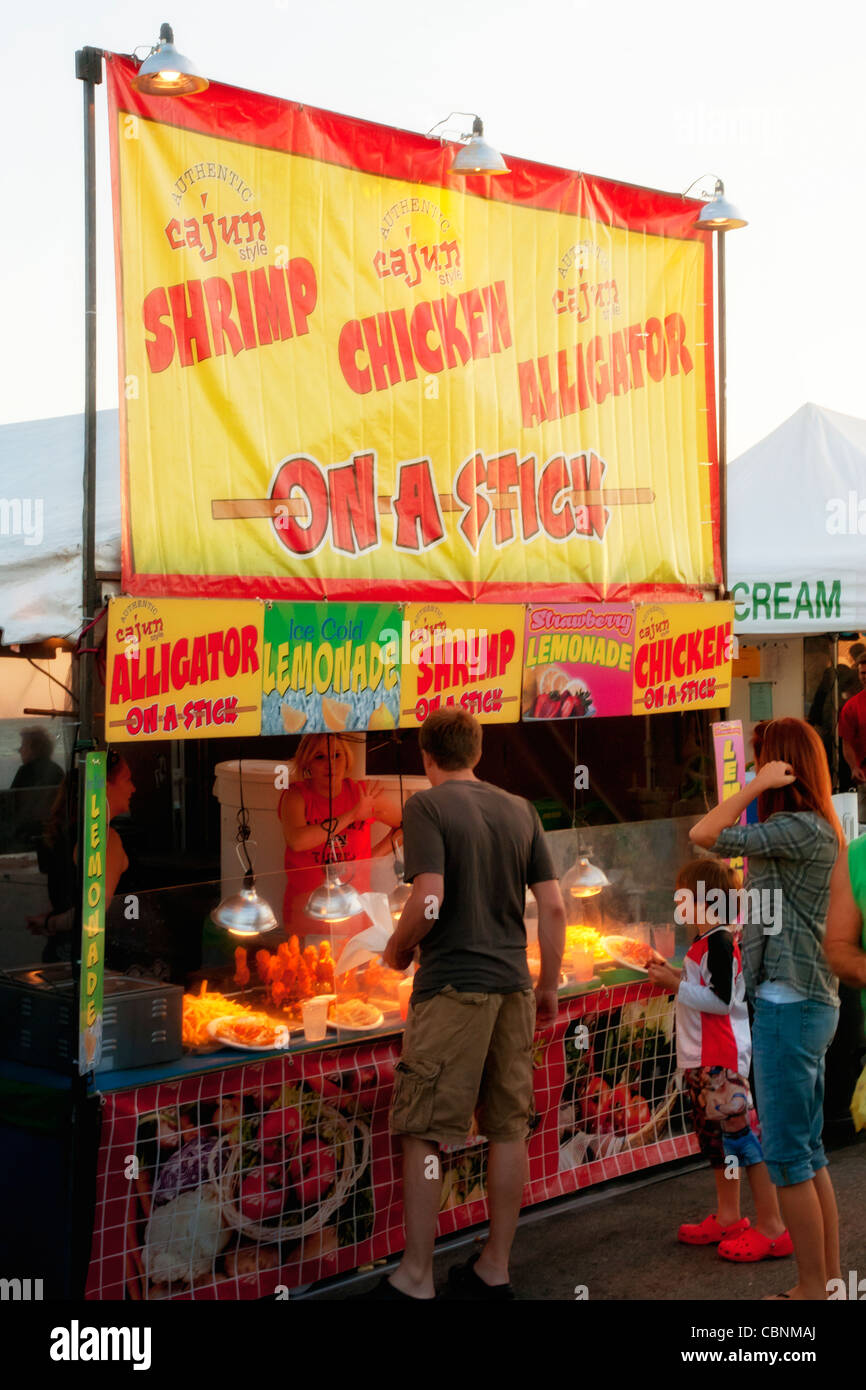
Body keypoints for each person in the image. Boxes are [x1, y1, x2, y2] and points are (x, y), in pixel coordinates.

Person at [373, 707, 566, 1301]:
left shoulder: (426, 807)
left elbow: (429, 897)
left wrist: (398, 949)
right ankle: (494, 1268)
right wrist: (548, 985)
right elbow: (555, 907)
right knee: (508, 1128)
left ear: (425, 756)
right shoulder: (520, 809)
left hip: (452, 991)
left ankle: (416, 1276)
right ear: (477, 753)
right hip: (513, 989)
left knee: (425, 1132)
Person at [689, 717, 844, 1301]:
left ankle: (810, 1288)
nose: (756, 769)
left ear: (781, 766)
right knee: (807, 1152)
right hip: (806, 1003)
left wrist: (750, 787)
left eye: (762, 760)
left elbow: (703, 833)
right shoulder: (811, 826)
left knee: (787, 1158)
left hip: (790, 1005)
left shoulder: (795, 828)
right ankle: (827, 1283)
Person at [648, 857, 792, 1261]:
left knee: (744, 1140)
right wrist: (678, 977)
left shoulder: (719, 942)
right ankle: (729, 1215)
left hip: (721, 1059)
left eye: (683, 893)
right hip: (703, 1059)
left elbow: (721, 1000)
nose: (677, 900)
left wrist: (674, 983)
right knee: (719, 1144)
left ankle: (773, 1226)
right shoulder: (705, 943)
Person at [278, 733, 403, 930]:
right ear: (306, 763)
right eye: (320, 757)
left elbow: (410, 824)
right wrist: (353, 815)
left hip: (355, 909)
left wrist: (370, 857)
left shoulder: (361, 794)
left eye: (337, 755)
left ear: (347, 760)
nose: (330, 764)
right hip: (307, 910)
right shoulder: (296, 795)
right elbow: (297, 841)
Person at [10, 726, 64, 849]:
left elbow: (10, 805)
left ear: (34, 749)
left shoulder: (26, 772)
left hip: (27, 836)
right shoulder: (57, 771)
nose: (20, 750)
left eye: (23, 745)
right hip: (53, 835)